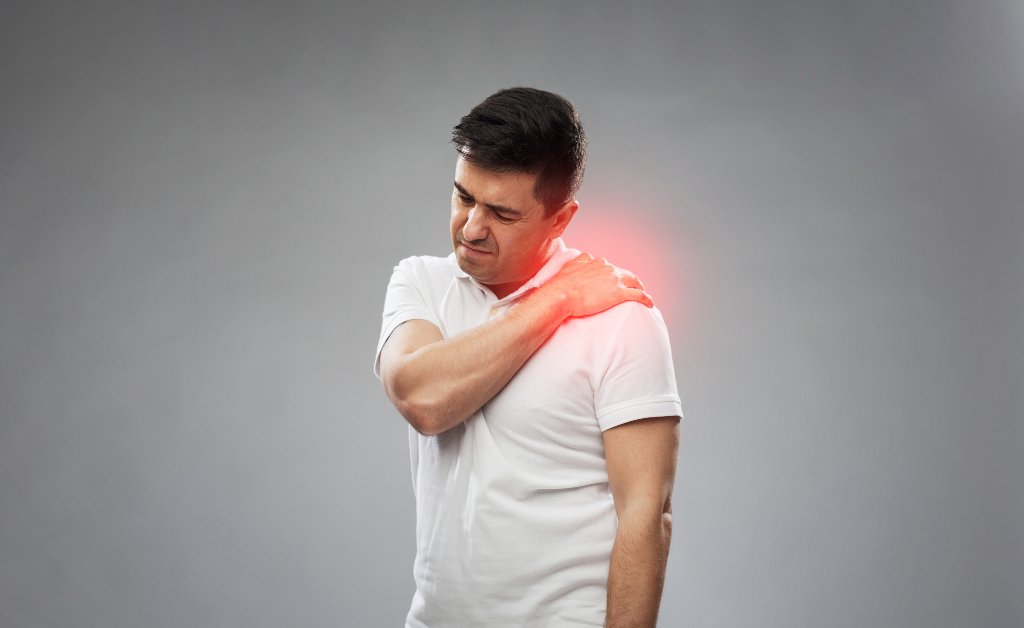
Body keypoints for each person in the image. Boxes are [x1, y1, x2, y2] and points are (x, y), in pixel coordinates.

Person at [374, 87, 682, 628]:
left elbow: (646, 514)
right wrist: (556, 299)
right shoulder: (420, 281)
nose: (472, 228)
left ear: (560, 220)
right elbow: (421, 399)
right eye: (464, 197)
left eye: (502, 213)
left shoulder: (621, 317)